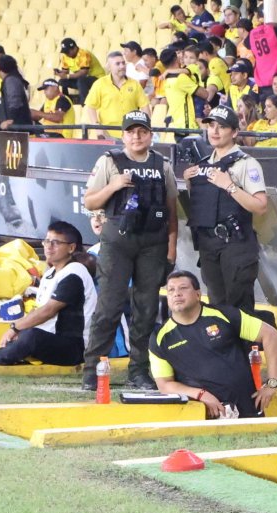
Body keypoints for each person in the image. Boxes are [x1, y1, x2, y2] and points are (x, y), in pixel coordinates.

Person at [81, 111, 180, 391]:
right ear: (123, 135)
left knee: (146, 310)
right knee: (109, 307)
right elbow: (90, 202)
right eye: (131, 131)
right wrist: (113, 186)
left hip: (153, 244)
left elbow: (172, 211)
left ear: (150, 134)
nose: (136, 136)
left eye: (142, 131)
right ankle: (93, 370)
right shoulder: (109, 161)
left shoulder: (162, 164)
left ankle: (139, 371)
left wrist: (172, 249)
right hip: (118, 243)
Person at [0, 222, 96, 368]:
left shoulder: (74, 273)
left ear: (71, 248)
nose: (48, 246)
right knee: (26, 334)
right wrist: (19, 330)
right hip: (53, 339)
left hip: (77, 347)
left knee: (31, 336)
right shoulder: (50, 274)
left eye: (55, 243)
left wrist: (15, 328)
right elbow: (38, 310)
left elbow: (48, 311)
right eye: (47, 241)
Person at [150, 271, 277, 419]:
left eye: (183, 288)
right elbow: (164, 384)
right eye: (171, 290)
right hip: (203, 416)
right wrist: (200, 394)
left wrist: (272, 383)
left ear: (198, 294)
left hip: (247, 409)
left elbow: (270, 335)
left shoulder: (224, 315)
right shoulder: (160, 338)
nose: (176, 294)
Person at [180, 105, 268, 313]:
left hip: (236, 245)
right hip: (208, 245)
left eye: (222, 127)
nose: (215, 131)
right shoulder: (202, 165)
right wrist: (190, 182)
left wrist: (229, 185)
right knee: (216, 307)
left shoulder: (247, 163)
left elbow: (261, 206)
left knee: (240, 310)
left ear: (234, 132)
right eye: (211, 126)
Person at [84, 51, 151, 140]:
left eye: (123, 63)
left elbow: (145, 106)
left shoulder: (135, 84)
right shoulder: (99, 84)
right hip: (108, 133)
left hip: (131, 133)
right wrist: (97, 127)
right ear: (109, 67)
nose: (122, 66)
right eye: (117, 64)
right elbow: (90, 107)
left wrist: (146, 126)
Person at [158, 47, 200, 133]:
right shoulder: (180, 76)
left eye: (191, 57)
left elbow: (186, 71)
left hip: (179, 121)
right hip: (185, 123)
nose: (187, 60)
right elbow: (205, 94)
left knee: (200, 118)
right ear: (176, 58)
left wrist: (168, 71)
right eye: (186, 57)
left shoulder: (168, 78)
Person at [55, 38, 106, 105]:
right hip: (82, 80)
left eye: (67, 52)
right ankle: (67, 101)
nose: (66, 54)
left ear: (74, 48)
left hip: (97, 78)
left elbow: (84, 72)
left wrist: (67, 76)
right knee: (62, 81)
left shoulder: (84, 54)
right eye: (65, 52)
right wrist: (60, 73)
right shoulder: (65, 57)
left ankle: (85, 104)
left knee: (81, 80)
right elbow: (65, 71)